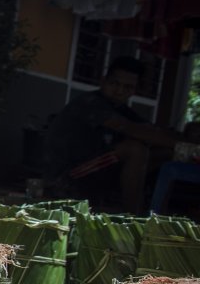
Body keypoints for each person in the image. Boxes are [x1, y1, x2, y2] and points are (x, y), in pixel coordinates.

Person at [43, 57, 188, 213]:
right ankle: (133, 216)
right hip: (66, 179)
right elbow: (130, 128)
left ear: (134, 90)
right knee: (135, 149)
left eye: (127, 87)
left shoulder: (122, 109)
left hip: (95, 174)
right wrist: (184, 145)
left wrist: (185, 141)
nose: (119, 90)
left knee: (165, 153)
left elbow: (151, 131)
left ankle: (158, 211)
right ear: (103, 81)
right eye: (114, 83)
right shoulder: (90, 102)